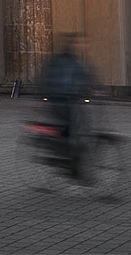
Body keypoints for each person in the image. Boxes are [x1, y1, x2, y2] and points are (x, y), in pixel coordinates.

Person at [39, 33, 94, 170]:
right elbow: (48, 78)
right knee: (66, 126)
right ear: (68, 45)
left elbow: (85, 75)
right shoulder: (57, 61)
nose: (76, 46)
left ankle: (71, 152)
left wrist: (96, 89)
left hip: (71, 98)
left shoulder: (74, 61)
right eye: (74, 44)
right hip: (57, 98)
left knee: (80, 124)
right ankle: (61, 151)